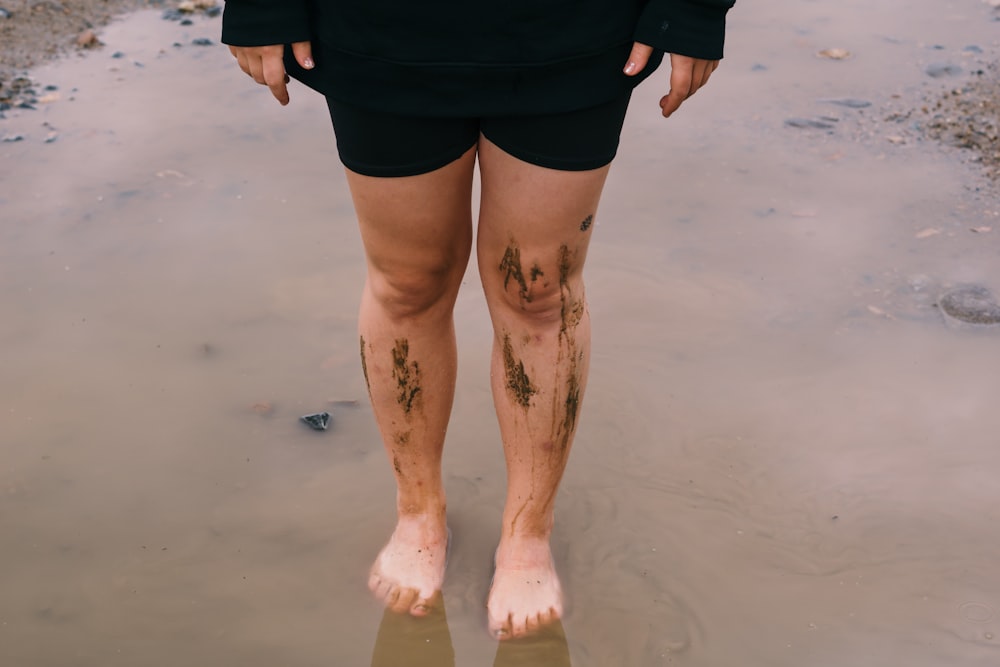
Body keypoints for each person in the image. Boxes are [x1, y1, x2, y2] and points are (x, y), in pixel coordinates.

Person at [221, 0, 736, 640]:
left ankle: (528, 533)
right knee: (408, 284)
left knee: (539, 291)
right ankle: (418, 513)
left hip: (573, 28)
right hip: (379, 27)